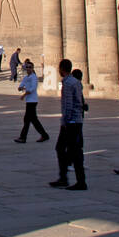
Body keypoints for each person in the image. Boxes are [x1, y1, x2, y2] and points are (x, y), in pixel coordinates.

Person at [49, 59, 86, 189]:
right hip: (76, 121)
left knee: (68, 150)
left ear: (61, 69)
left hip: (71, 122)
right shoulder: (75, 81)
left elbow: (68, 104)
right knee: (69, 150)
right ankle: (65, 178)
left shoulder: (68, 83)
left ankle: (77, 181)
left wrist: (65, 121)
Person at [15, 59, 49, 144]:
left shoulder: (33, 77)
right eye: (27, 67)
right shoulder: (26, 77)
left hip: (33, 100)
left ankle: (23, 137)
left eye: (30, 67)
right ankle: (44, 135)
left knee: (28, 120)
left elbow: (32, 88)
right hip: (29, 100)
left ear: (32, 68)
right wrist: (20, 88)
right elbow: (21, 85)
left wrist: (24, 94)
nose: (28, 69)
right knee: (33, 120)